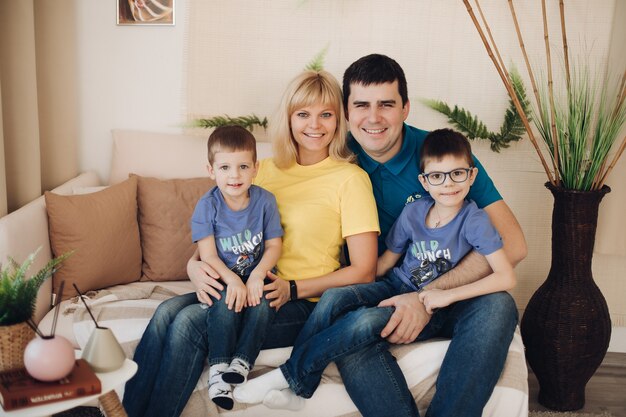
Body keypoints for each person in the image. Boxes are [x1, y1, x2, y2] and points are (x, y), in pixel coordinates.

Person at [122, 69, 380, 417]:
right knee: (167, 312)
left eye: (326, 114)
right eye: (303, 113)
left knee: (189, 325)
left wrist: (292, 287)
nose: (314, 124)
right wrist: (194, 267)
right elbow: (215, 232)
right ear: (288, 118)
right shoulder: (262, 169)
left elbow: (364, 271)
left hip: (297, 301)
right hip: (242, 284)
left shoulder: (350, 178)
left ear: (339, 120)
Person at [232, 128, 517, 408]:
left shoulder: (474, 221)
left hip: (438, 304)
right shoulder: (415, 211)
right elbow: (384, 263)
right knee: (335, 297)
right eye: (437, 176)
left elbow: (506, 276)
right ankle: (301, 385)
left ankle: (290, 374)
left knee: (364, 322)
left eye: (458, 174)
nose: (449, 184)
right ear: (424, 181)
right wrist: (356, 283)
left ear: (472, 175)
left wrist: (446, 295)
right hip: (396, 284)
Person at [190, 125, 283, 409]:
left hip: (257, 273)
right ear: (211, 170)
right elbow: (208, 256)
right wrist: (232, 280)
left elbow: (274, 246)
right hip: (223, 275)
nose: (235, 175)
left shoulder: (265, 201)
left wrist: (256, 275)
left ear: (255, 168)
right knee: (224, 303)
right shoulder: (207, 206)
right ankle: (219, 371)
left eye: (243, 166)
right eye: (225, 167)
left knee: (265, 302)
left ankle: (242, 361)